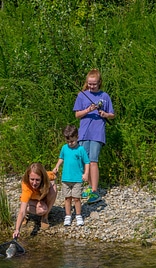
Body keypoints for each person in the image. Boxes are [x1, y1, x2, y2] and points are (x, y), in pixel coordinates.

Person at [73, 68, 115, 204]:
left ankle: (95, 191)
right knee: (85, 162)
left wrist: (105, 114)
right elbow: (77, 114)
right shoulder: (81, 95)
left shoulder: (105, 96)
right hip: (84, 133)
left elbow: (112, 115)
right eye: (90, 84)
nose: (92, 86)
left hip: (98, 133)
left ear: (99, 83)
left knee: (93, 161)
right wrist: (88, 110)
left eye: (94, 84)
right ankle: (90, 187)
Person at [53, 125, 90, 226]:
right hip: (66, 178)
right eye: (68, 141)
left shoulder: (81, 149)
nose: (70, 143)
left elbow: (87, 162)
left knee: (77, 198)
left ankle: (78, 215)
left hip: (77, 178)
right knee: (67, 197)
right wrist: (57, 166)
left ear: (77, 137)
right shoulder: (64, 148)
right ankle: (68, 215)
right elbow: (61, 158)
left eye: (72, 141)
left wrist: (86, 173)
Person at [13, 163, 57, 238]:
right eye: (32, 179)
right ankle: (25, 216)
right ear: (28, 177)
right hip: (30, 200)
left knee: (54, 188)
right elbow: (22, 211)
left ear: (42, 178)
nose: (34, 183)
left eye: (37, 180)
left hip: (40, 198)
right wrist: (17, 230)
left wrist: (55, 173)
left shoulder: (47, 176)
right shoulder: (26, 186)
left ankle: (45, 217)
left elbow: (54, 175)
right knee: (41, 210)